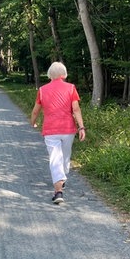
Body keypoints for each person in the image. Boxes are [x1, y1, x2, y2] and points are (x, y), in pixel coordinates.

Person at [30, 62, 86, 204]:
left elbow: (36, 110)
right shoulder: (71, 88)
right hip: (68, 130)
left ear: (50, 74)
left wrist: (33, 122)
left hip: (51, 130)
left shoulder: (42, 90)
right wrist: (81, 127)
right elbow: (76, 110)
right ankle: (58, 190)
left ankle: (60, 180)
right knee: (64, 157)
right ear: (64, 74)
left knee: (57, 158)